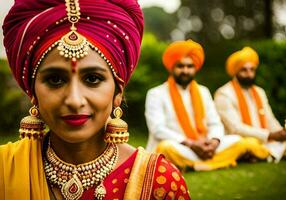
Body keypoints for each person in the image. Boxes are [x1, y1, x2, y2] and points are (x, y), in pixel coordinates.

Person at [0, 0, 190, 199]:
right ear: (33, 92)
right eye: (55, 80)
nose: (74, 100)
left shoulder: (159, 182)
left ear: (118, 93)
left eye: (92, 79)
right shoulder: (5, 171)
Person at [145, 40, 270, 171]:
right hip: (181, 146)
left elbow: (215, 123)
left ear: (195, 68)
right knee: (166, 147)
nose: (185, 71)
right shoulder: (156, 93)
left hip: (204, 146)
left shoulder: (203, 91)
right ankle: (215, 162)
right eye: (180, 66)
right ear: (172, 68)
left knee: (238, 141)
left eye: (190, 66)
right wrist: (191, 143)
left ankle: (194, 165)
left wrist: (214, 142)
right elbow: (157, 128)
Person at [214, 46, 286, 162]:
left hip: (268, 141)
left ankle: (265, 155)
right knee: (248, 144)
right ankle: (276, 153)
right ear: (235, 72)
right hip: (245, 142)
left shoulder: (259, 92)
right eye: (244, 70)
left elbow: (270, 119)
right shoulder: (224, 94)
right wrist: (270, 135)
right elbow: (235, 128)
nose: (249, 74)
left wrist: (282, 133)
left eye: (252, 70)